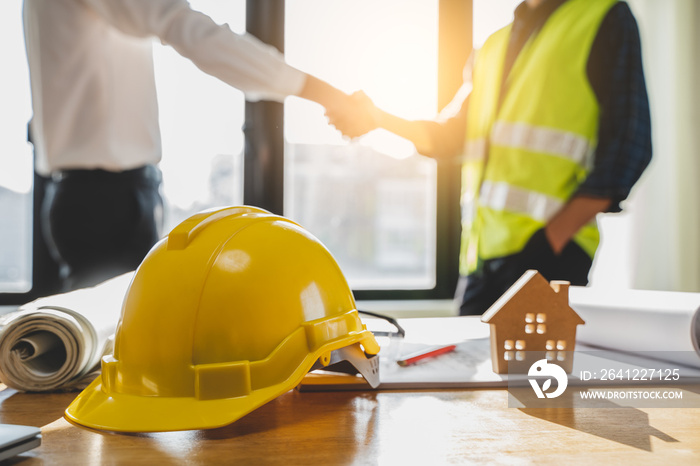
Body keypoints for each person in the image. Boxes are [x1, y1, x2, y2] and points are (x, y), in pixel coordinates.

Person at [327, 0, 652, 315]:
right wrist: (378, 118)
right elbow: (450, 136)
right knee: (466, 368)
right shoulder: (493, 46)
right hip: (481, 259)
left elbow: (629, 148)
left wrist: (552, 239)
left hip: (549, 254)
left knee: (536, 371)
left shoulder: (605, 17)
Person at [23, 0, 368, 291]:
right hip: (107, 201)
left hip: (86, 196)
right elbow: (191, 30)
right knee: (116, 351)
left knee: (108, 346)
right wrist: (328, 96)